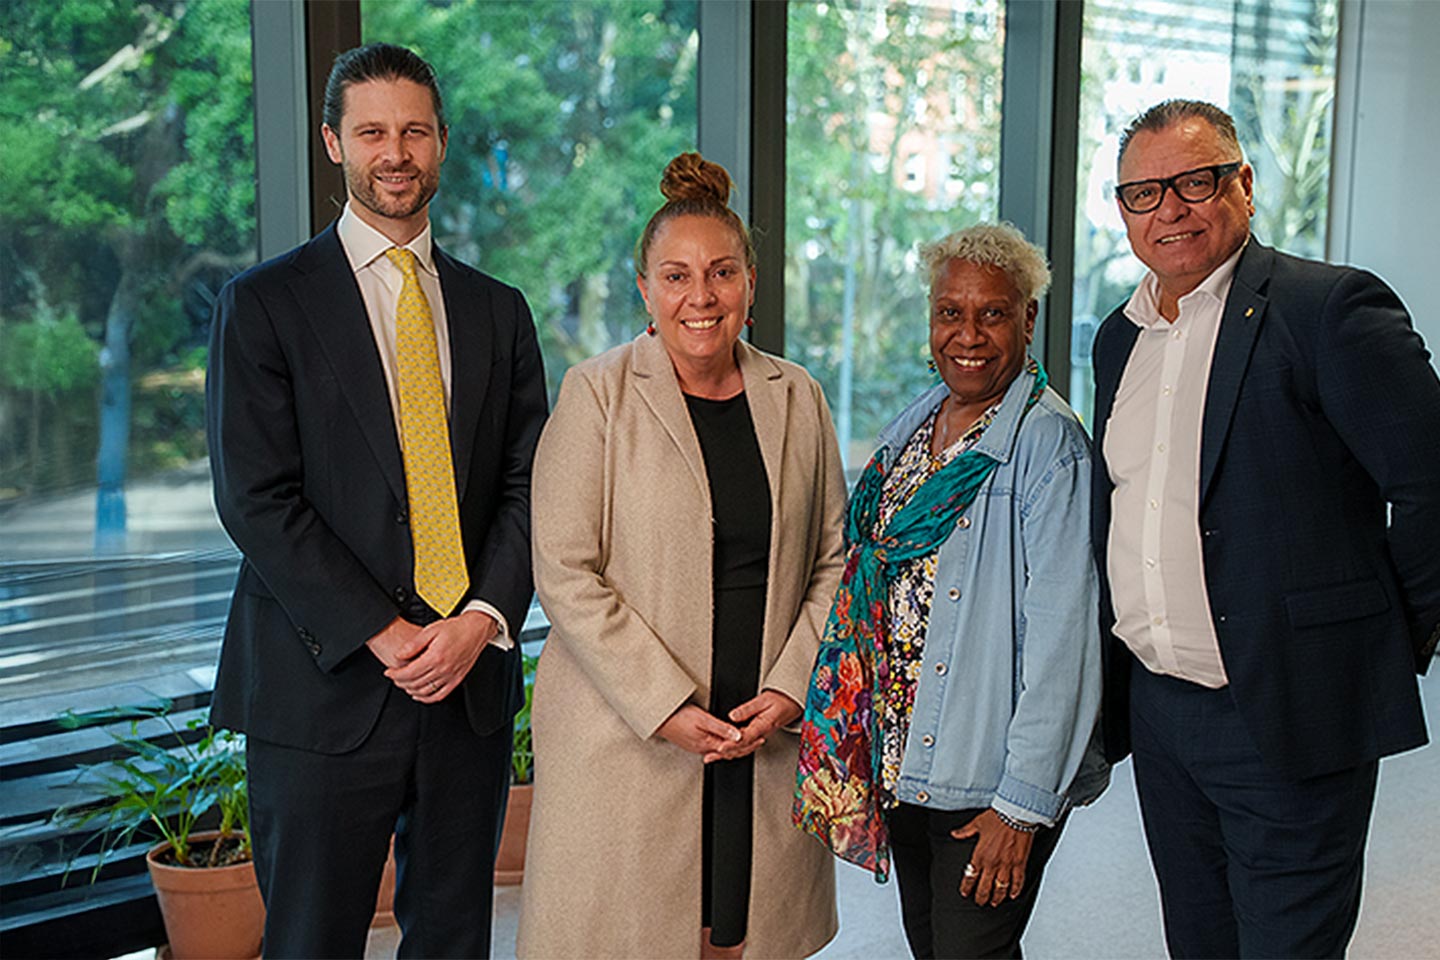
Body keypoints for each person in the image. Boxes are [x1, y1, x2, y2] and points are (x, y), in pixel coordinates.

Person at [205, 43, 547, 958]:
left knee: (451, 941)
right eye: (371, 132)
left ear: (441, 144)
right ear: (332, 143)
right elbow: (256, 497)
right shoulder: (264, 305)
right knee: (312, 942)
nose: (394, 152)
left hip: (466, 686)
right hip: (323, 690)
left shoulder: (498, 310)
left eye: (414, 131)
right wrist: (387, 633)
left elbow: (528, 484)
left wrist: (479, 621)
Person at [1091, 98, 1440, 959]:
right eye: (1143, 193)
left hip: (1286, 709)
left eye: (1194, 182)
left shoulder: (1329, 309)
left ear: (1242, 186)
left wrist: (1377, 643)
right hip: (1163, 712)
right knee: (1198, 941)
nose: (1168, 209)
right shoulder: (1118, 339)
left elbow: (1432, 486)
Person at [517, 152, 844, 960]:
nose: (701, 296)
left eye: (722, 273)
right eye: (676, 276)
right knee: (635, 936)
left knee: (745, 933)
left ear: (752, 286)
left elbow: (835, 558)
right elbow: (563, 570)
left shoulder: (797, 395)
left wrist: (790, 687)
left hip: (758, 727)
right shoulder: (597, 394)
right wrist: (663, 705)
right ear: (645, 291)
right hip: (629, 731)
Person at [795, 223, 1109, 960]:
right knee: (935, 948)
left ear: (1028, 319)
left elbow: (1066, 642)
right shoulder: (916, 424)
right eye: (950, 312)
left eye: (993, 313)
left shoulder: (1047, 445)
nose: (968, 334)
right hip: (909, 762)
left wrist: (1022, 808)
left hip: (986, 779)